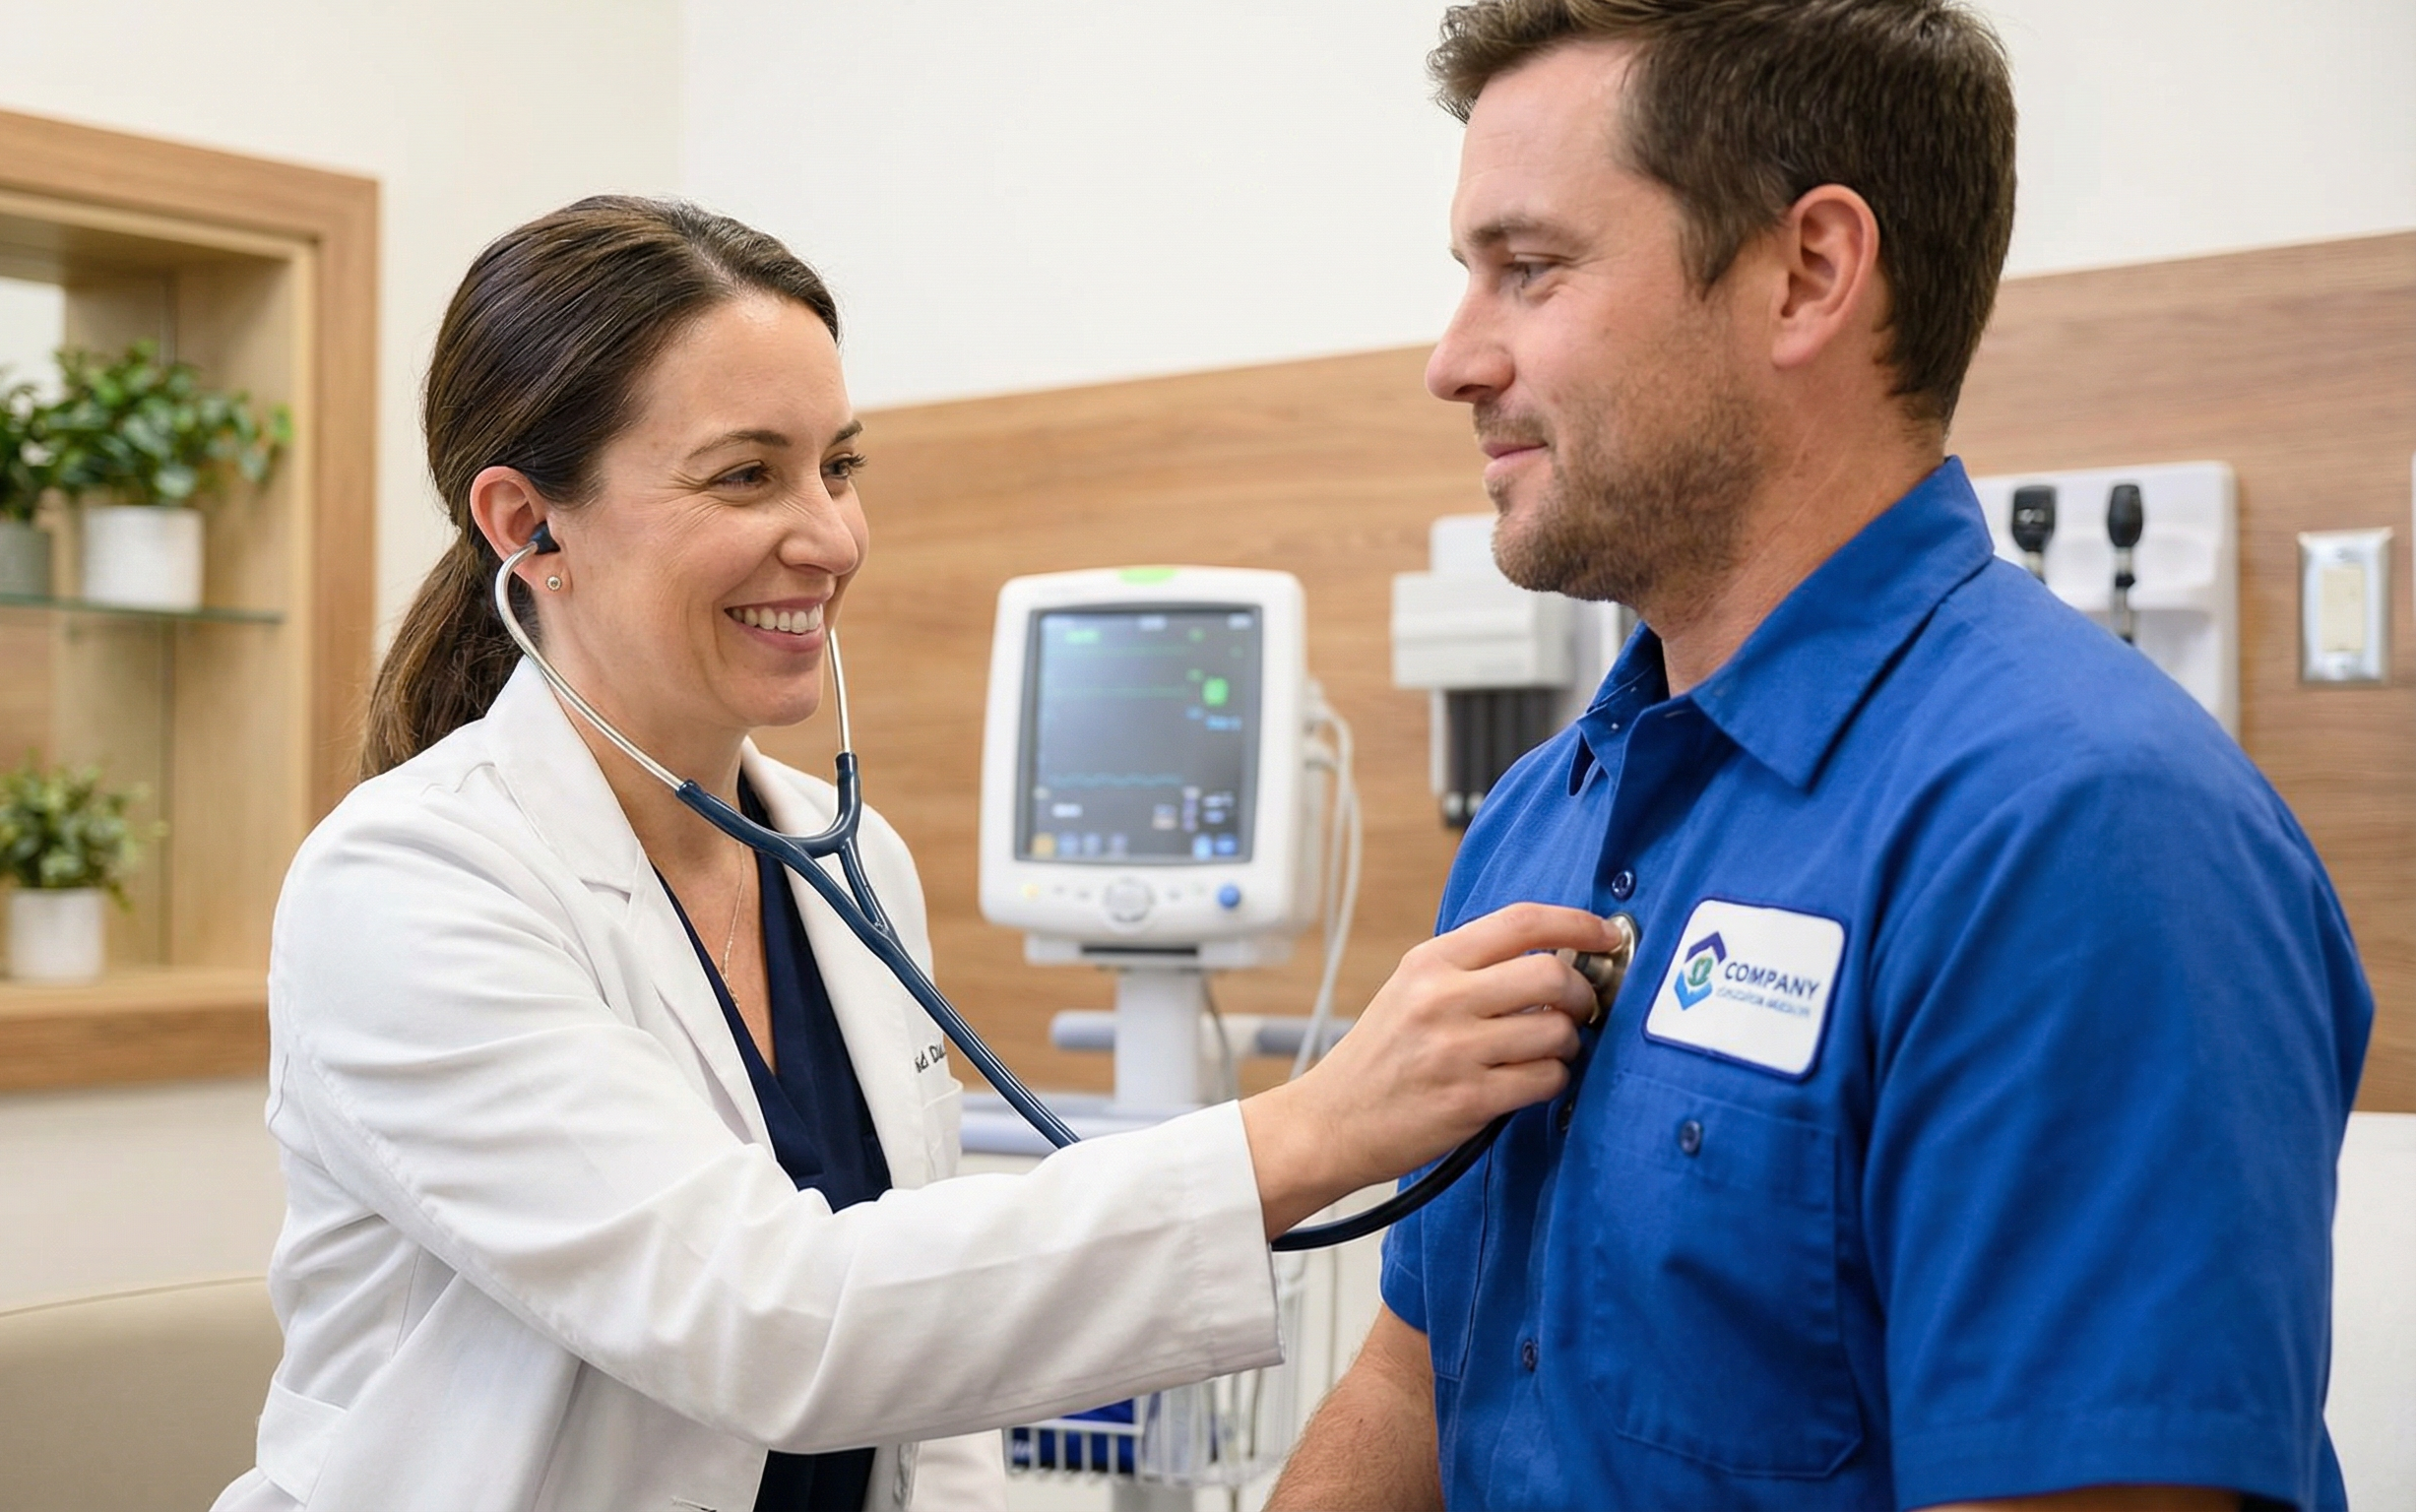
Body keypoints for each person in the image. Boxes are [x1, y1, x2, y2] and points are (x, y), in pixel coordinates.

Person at [209, 196, 1620, 1512]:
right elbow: (774, 1322)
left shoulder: (850, 863)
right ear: (530, 526)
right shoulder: (408, 885)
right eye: (746, 475)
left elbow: (926, 1405)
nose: (828, 535)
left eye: (840, 465)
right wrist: (1315, 1130)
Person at [1269, 3, 2372, 1510]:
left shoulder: (2079, 836)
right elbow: (1415, 1376)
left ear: (1807, 274)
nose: (1454, 359)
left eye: (1528, 270)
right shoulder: (1545, 817)